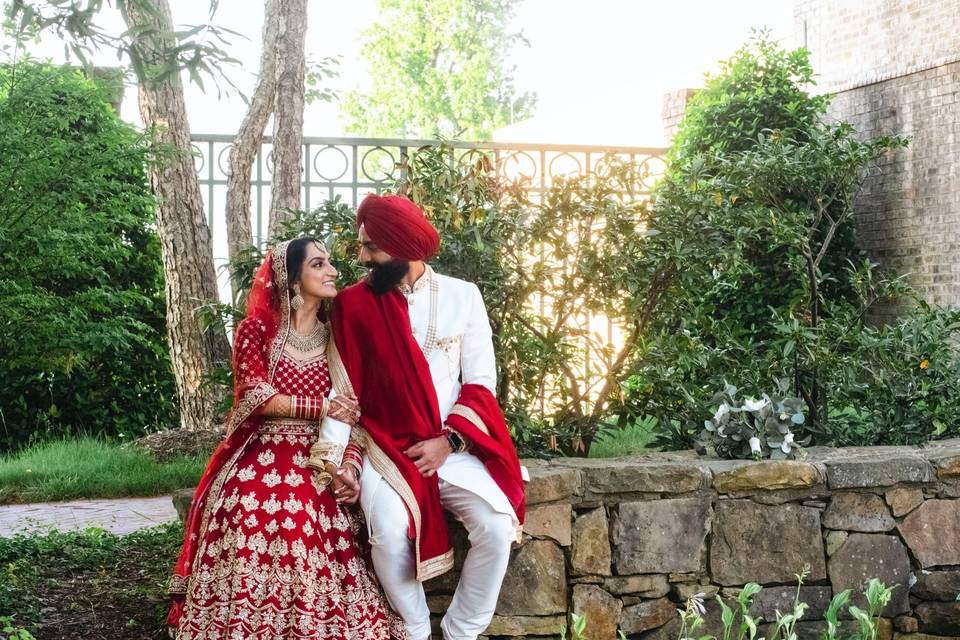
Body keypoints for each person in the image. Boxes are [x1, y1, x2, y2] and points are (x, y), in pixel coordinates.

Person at [166, 237, 406, 640]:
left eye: (330, 263)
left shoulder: (338, 339)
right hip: (259, 452)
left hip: (318, 456)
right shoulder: (256, 331)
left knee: (305, 520)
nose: (332, 271)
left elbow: (357, 417)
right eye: (318, 264)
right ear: (292, 279)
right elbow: (258, 397)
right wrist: (324, 407)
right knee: (246, 509)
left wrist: (349, 467)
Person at [326, 194, 527, 640]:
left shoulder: (463, 296)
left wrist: (449, 442)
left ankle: (460, 632)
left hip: (448, 446)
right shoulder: (354, 305)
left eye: (371, 248)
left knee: (496, 529)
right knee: (390, 537)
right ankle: (416, 628)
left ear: (402, 247)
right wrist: (336, 460)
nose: (362, 257)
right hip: (385, 448)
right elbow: (344, 393)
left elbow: (480, 381)